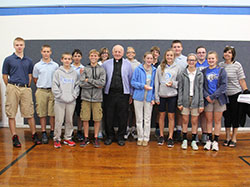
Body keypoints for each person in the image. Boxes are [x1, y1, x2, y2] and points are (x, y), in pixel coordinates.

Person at [2, 37, 41, 147]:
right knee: (11, 113)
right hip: (13, 87)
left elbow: (30, 75)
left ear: (24, 46)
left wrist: (27, 86)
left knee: (29, 112)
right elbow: (5, 75)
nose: (19, 47)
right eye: (17, 45)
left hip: (25, 88)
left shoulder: (28, 61)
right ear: (14, 46)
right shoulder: (8, 59)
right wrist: (10, 87)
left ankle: (34, 134)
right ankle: (14, 136)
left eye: (21, 45)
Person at [102, 44, 133, 146]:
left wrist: (131, 95)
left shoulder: (128, 64)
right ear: (112, 52)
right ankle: (109, 136)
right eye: (115, 51)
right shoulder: (106, 64)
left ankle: (120, 137)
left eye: (119, 52)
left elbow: (130, 79)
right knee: (108, 116)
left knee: (123, 116)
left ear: (123, 53)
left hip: (123, 94)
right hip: (109, 94)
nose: (117, 53)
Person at [219, 46, 248, 147]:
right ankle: (227, 137)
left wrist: (246, 91)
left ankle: (234, 138)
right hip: (224, 95)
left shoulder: (237, 65)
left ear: (232, 55)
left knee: (235, 117)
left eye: (230, 53)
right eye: (226, 52)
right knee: (227, 117)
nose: (227, 54)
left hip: (235, 94)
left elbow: (241, 80)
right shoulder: (220, 65)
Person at [79, 49, 106, 148]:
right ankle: (86, 137)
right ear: (89, 57)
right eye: (92, 56)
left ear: (98, 57)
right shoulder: (85, 69)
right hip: (85, 98)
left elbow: (102, 83)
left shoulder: (102, 69)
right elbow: (81, 83)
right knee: (85, 118)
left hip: (97, 98)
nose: (93, 57)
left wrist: (89, 80)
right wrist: (95, 83)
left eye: (95, 56)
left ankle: (95, 138)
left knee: (97, 119)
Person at [155, 49, 182, 147]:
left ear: (174, 56)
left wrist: (173, 84)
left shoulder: (178, 68)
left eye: (171, 55)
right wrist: (156, 96)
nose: (169, 57)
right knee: (161, 116)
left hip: (172, 96)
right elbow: (156, 82)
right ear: (165, 56)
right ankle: (161, 136)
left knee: (171, 116)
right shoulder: (160, 67)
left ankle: (170, 137)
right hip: (162, 95)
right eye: (168, 55)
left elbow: (180, 83)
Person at [52, 52, 79, 148]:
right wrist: (60, 96)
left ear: (71, 61)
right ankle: (57, 139)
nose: (67, 61)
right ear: (62, 60)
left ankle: (67, 138)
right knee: (59, 121)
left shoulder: (74, 73)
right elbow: (54, 86)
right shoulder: (57, 72)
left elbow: (77, 86)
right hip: (60, 101)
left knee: (69, 120)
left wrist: (73, 96)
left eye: (69, 59)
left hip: (71, 101)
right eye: (65, 59)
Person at [33, 45, 59, 143]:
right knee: (42, 113)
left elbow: (57, 78)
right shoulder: (37, 65)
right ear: (41, 52)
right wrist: (42, 85)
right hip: (41, 91)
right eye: (44, 51)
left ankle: (52, 131)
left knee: (52, 113)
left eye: (48, 51)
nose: (46, 53)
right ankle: (44, 132)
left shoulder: (55, 65)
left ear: (51, 52)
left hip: (52, 91)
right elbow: (35, 79)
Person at [178, 53, 204, 150]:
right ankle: (184, 140)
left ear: (196, 62)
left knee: (194, 121)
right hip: (185, 100)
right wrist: (179, 102)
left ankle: (193, 140)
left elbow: (201, 90)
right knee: (184, 120)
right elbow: (180, 89)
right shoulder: (183, 73)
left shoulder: (199, 74)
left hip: (196, 100)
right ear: (187, 61)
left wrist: (201, 104)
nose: (191, 62)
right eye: (189, 60)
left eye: (193, 60)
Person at [203, 51, 228, 151]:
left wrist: (213, 96)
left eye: (212, 58)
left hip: (218, 99)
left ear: (216, 59)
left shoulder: (222, 71)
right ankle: (209, 141)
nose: (211, 60)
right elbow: (202, 86)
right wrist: (207, 96)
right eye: (209, 58)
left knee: (217, 121)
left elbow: (223, 86)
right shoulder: (204, 71)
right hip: (208, 99)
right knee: (209, 120)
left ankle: (216, 141)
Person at [131, 52, 156, 146]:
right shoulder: (138, 69)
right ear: (144, 59)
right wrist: (143, 86)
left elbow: (155, 85)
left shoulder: (154, 70)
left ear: (153, 60)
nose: (149, 60)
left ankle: (146, 138)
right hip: (138, 97)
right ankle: (140, 137)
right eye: (148, 58)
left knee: (147, 119)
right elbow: (133, 82)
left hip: (149, 98)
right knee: (139, 119)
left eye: (151, 58)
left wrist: (153, 97)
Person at [171, 40, 187, 142]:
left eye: (178, 47)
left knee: (181, 110)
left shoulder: (186, 60)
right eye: (174, 47)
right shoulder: (169, 58)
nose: (176, 49)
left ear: (181, 48)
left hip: (183, 88)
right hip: (171, 89)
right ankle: (171, 131)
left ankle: (179, 130)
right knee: (172, 111)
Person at [124, 46, 141, 140]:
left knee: (135, 111)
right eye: (128, 52)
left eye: (132, 52)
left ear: (134, 54)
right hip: (125, 91)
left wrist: (133, 93)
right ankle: (126, 128)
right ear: (126, 54)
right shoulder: (124, 63)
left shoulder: (138, 64)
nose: (130, 54)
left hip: (136, 92)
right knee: (126, 111)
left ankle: (133, 128)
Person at [196, 46, 209, 144]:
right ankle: (195, 134)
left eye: (203, 52)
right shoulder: (192, 63)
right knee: (195, 115)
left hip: (206, 92)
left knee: (204, 115)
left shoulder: (209, 64)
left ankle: (204, 134)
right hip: (195, 93)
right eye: (199, 52)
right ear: (196, 54)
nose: (201, 54)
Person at [71, 49, 85, 141]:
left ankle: (79, 131)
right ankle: (70, 131)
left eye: (78, 56)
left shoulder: (83, 68)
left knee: (80, 114)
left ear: (81, 57)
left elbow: (84, 81)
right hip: (70, 93)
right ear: (72, 57)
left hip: (80, 93)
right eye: (75, 56)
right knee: (70, 114)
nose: (77, 58)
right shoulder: (69, 67)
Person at [150, 46, 161, 137]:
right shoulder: (146, 64)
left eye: (157, 52)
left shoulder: (161, 65)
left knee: (158, 111)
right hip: (148, 90)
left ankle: (157, 128)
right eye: (153, 52)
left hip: (158, 90)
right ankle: (146, 128)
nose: (155, 54)